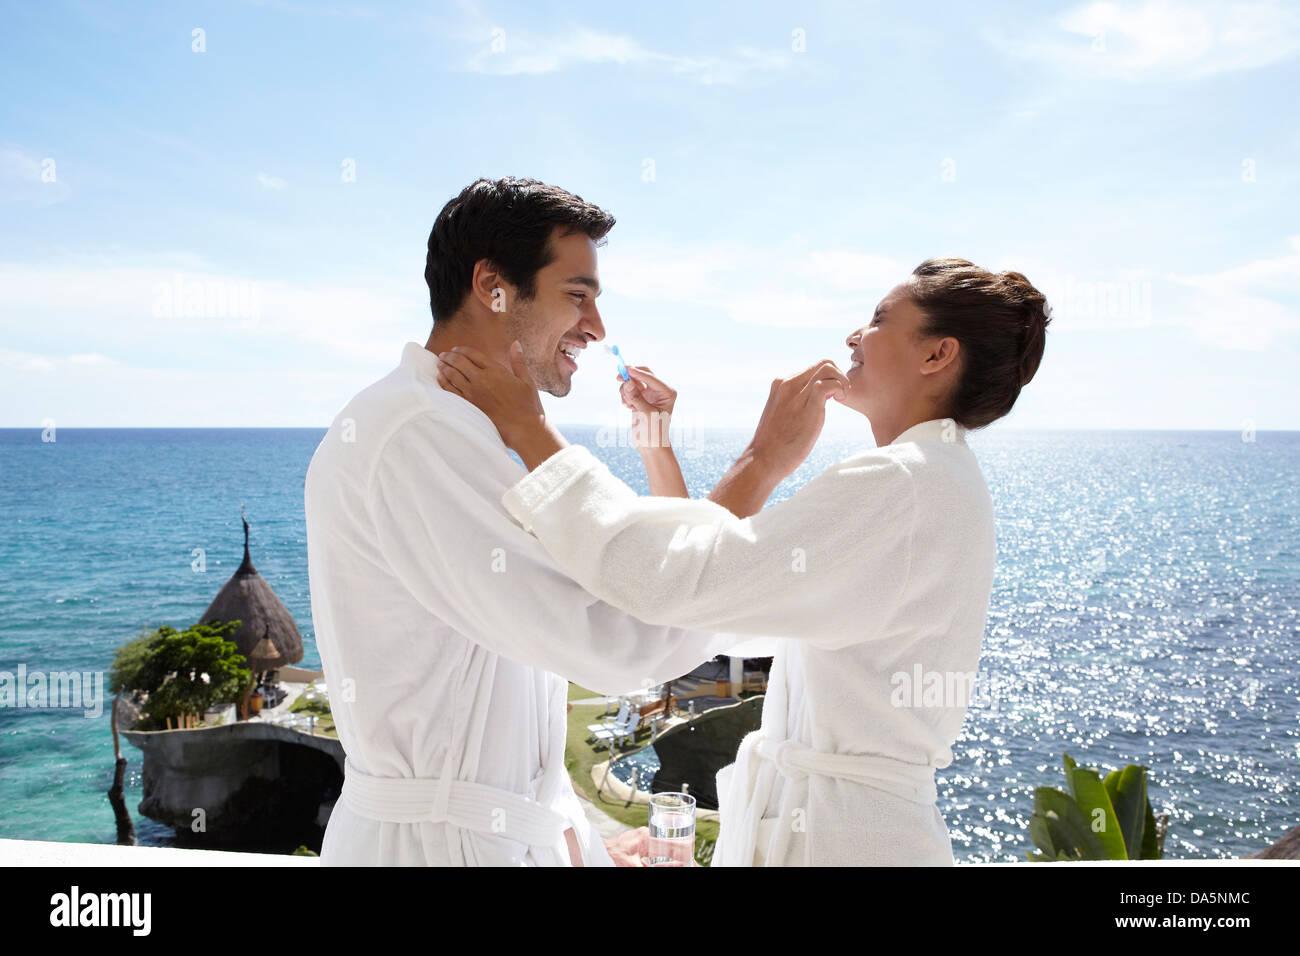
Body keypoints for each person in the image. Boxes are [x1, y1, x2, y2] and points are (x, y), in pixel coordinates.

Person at [435, 256, 1051, 865]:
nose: (854, 337)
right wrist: (657, 443)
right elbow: (707, 599)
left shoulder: (904, 485)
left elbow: (676, 584)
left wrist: (526, 425)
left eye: (878, 319)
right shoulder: (932, 480)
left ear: (936, 355)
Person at [304, 177, 741, 866]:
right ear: (493, 286)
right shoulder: (422, 436)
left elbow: (511, 701)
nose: (596, 328)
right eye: (578, 295)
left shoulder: (454, 428)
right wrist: (763, 466)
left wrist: (585, 847)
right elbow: (621, 640)